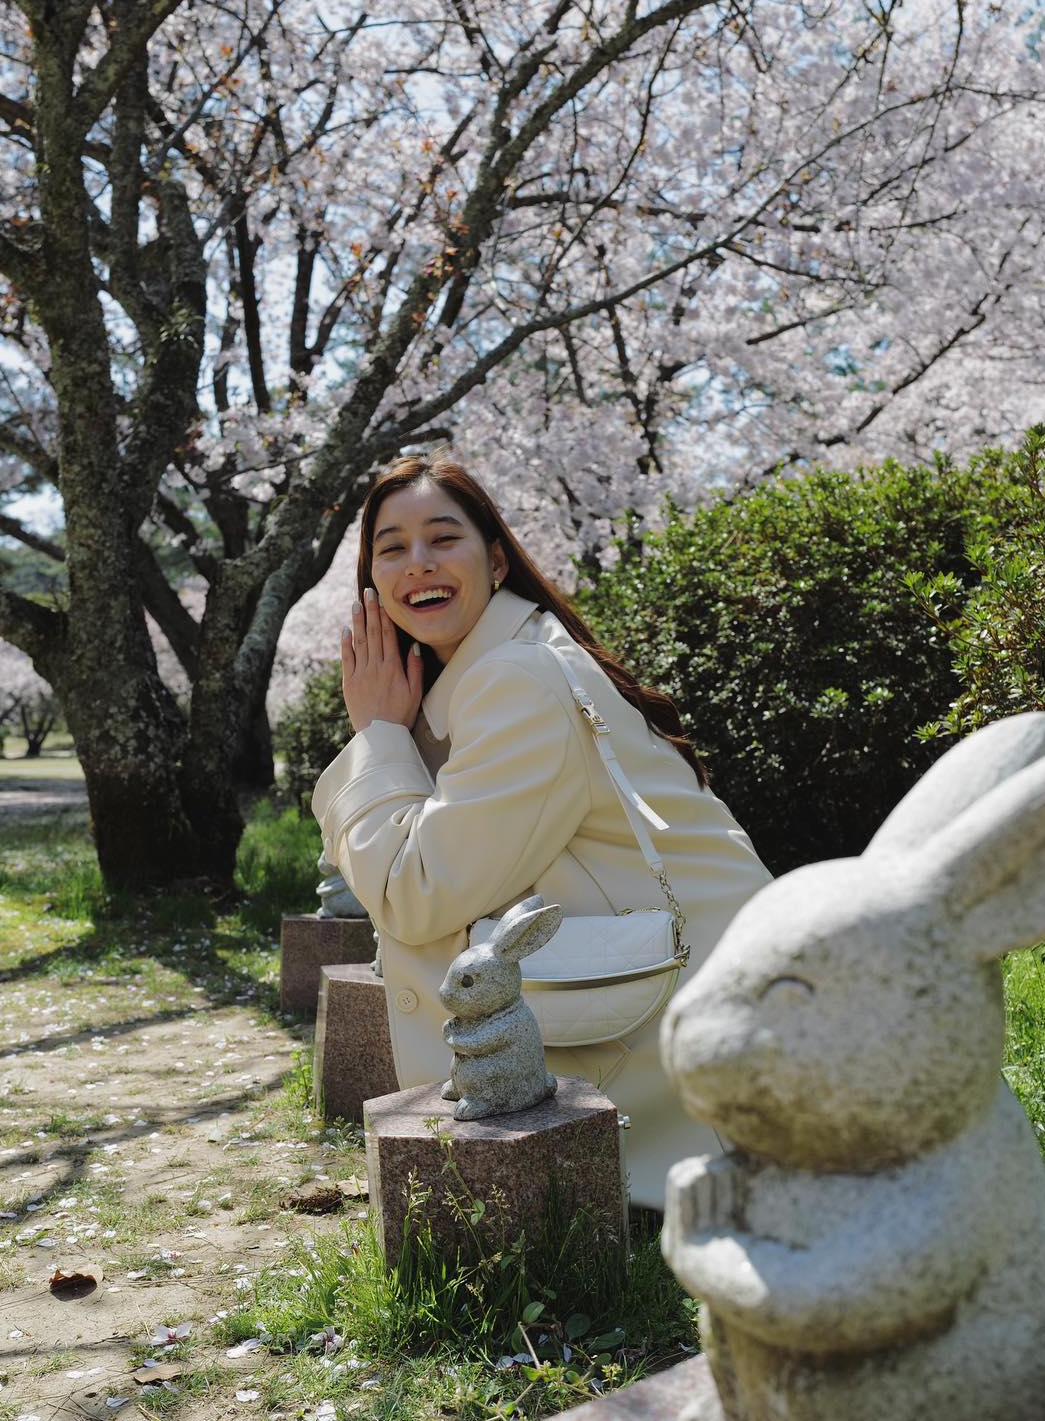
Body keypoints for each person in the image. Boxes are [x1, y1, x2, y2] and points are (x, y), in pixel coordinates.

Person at [310, 452, 772, 1209]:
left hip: (719, 1055)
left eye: (441, 538)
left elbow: (413, 893)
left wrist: (379, 736)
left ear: (496, 561)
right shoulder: (494, 670)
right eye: (390, 548)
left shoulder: (513, 681)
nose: (416, 563)